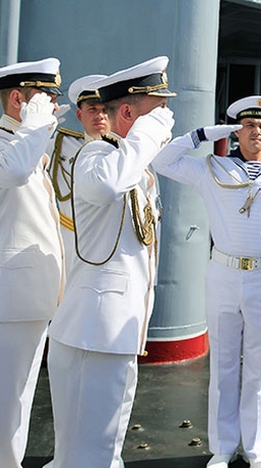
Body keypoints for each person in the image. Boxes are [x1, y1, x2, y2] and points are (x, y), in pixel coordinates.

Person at [153, 95, 261, 468]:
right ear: (237, 130)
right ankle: (222, 447)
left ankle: (255, 449)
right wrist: (205, 134)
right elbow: (161, 160)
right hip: (223, 273)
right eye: (249, 126)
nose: (256, 132)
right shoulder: (213, 168)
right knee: (223, 363)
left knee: (258, 365)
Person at [45, 56, 176, 468]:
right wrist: (149, 133)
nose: (166, 118)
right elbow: (104, 185)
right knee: (90, 453)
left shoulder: (132, 165)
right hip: (93, 333)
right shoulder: (96, 157)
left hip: (111, 331)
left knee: (97, 449)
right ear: (128, 113)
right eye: (157, 111)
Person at [0, 57, 64, 468]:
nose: (54, 108)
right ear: (18, 99)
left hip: (29, 300)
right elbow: (16, 172)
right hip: (10, 302)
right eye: (46, 98)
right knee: (7, 407)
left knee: (18, 403)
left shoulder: (21, 145)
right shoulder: (12, 148)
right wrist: (35, 125)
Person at [48, 74, 110, 273]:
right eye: (92, 109)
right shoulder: (60, 146)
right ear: (79, 115)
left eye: (105, 110)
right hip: (68, 246)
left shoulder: (126, 155)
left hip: (109, 249)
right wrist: (39, 133)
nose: (99, 115)